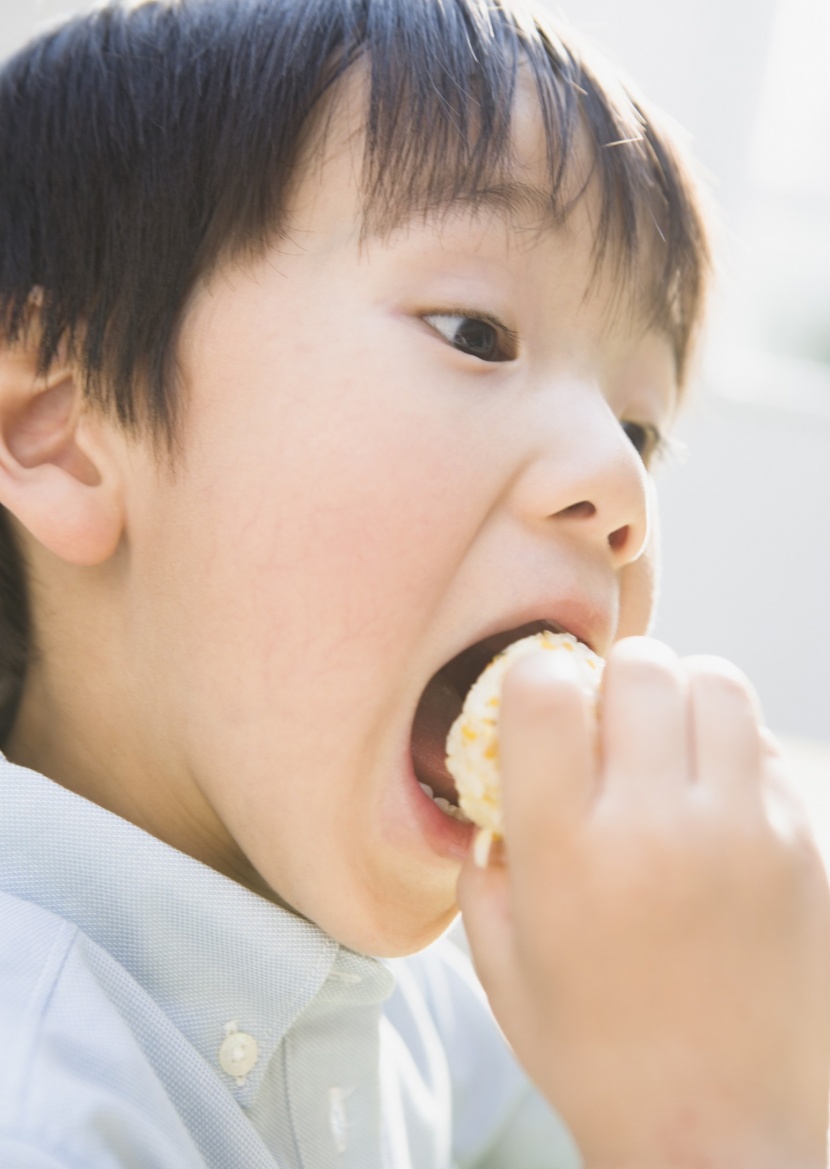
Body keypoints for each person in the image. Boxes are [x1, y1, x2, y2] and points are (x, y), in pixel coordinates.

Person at [0, 1, 828, 1166]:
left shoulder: (425, 1003)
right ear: (67, 429)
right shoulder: (39, 1104)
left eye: (638, 429)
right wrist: (722, 1128)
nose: (618, 488)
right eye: (475, 333)